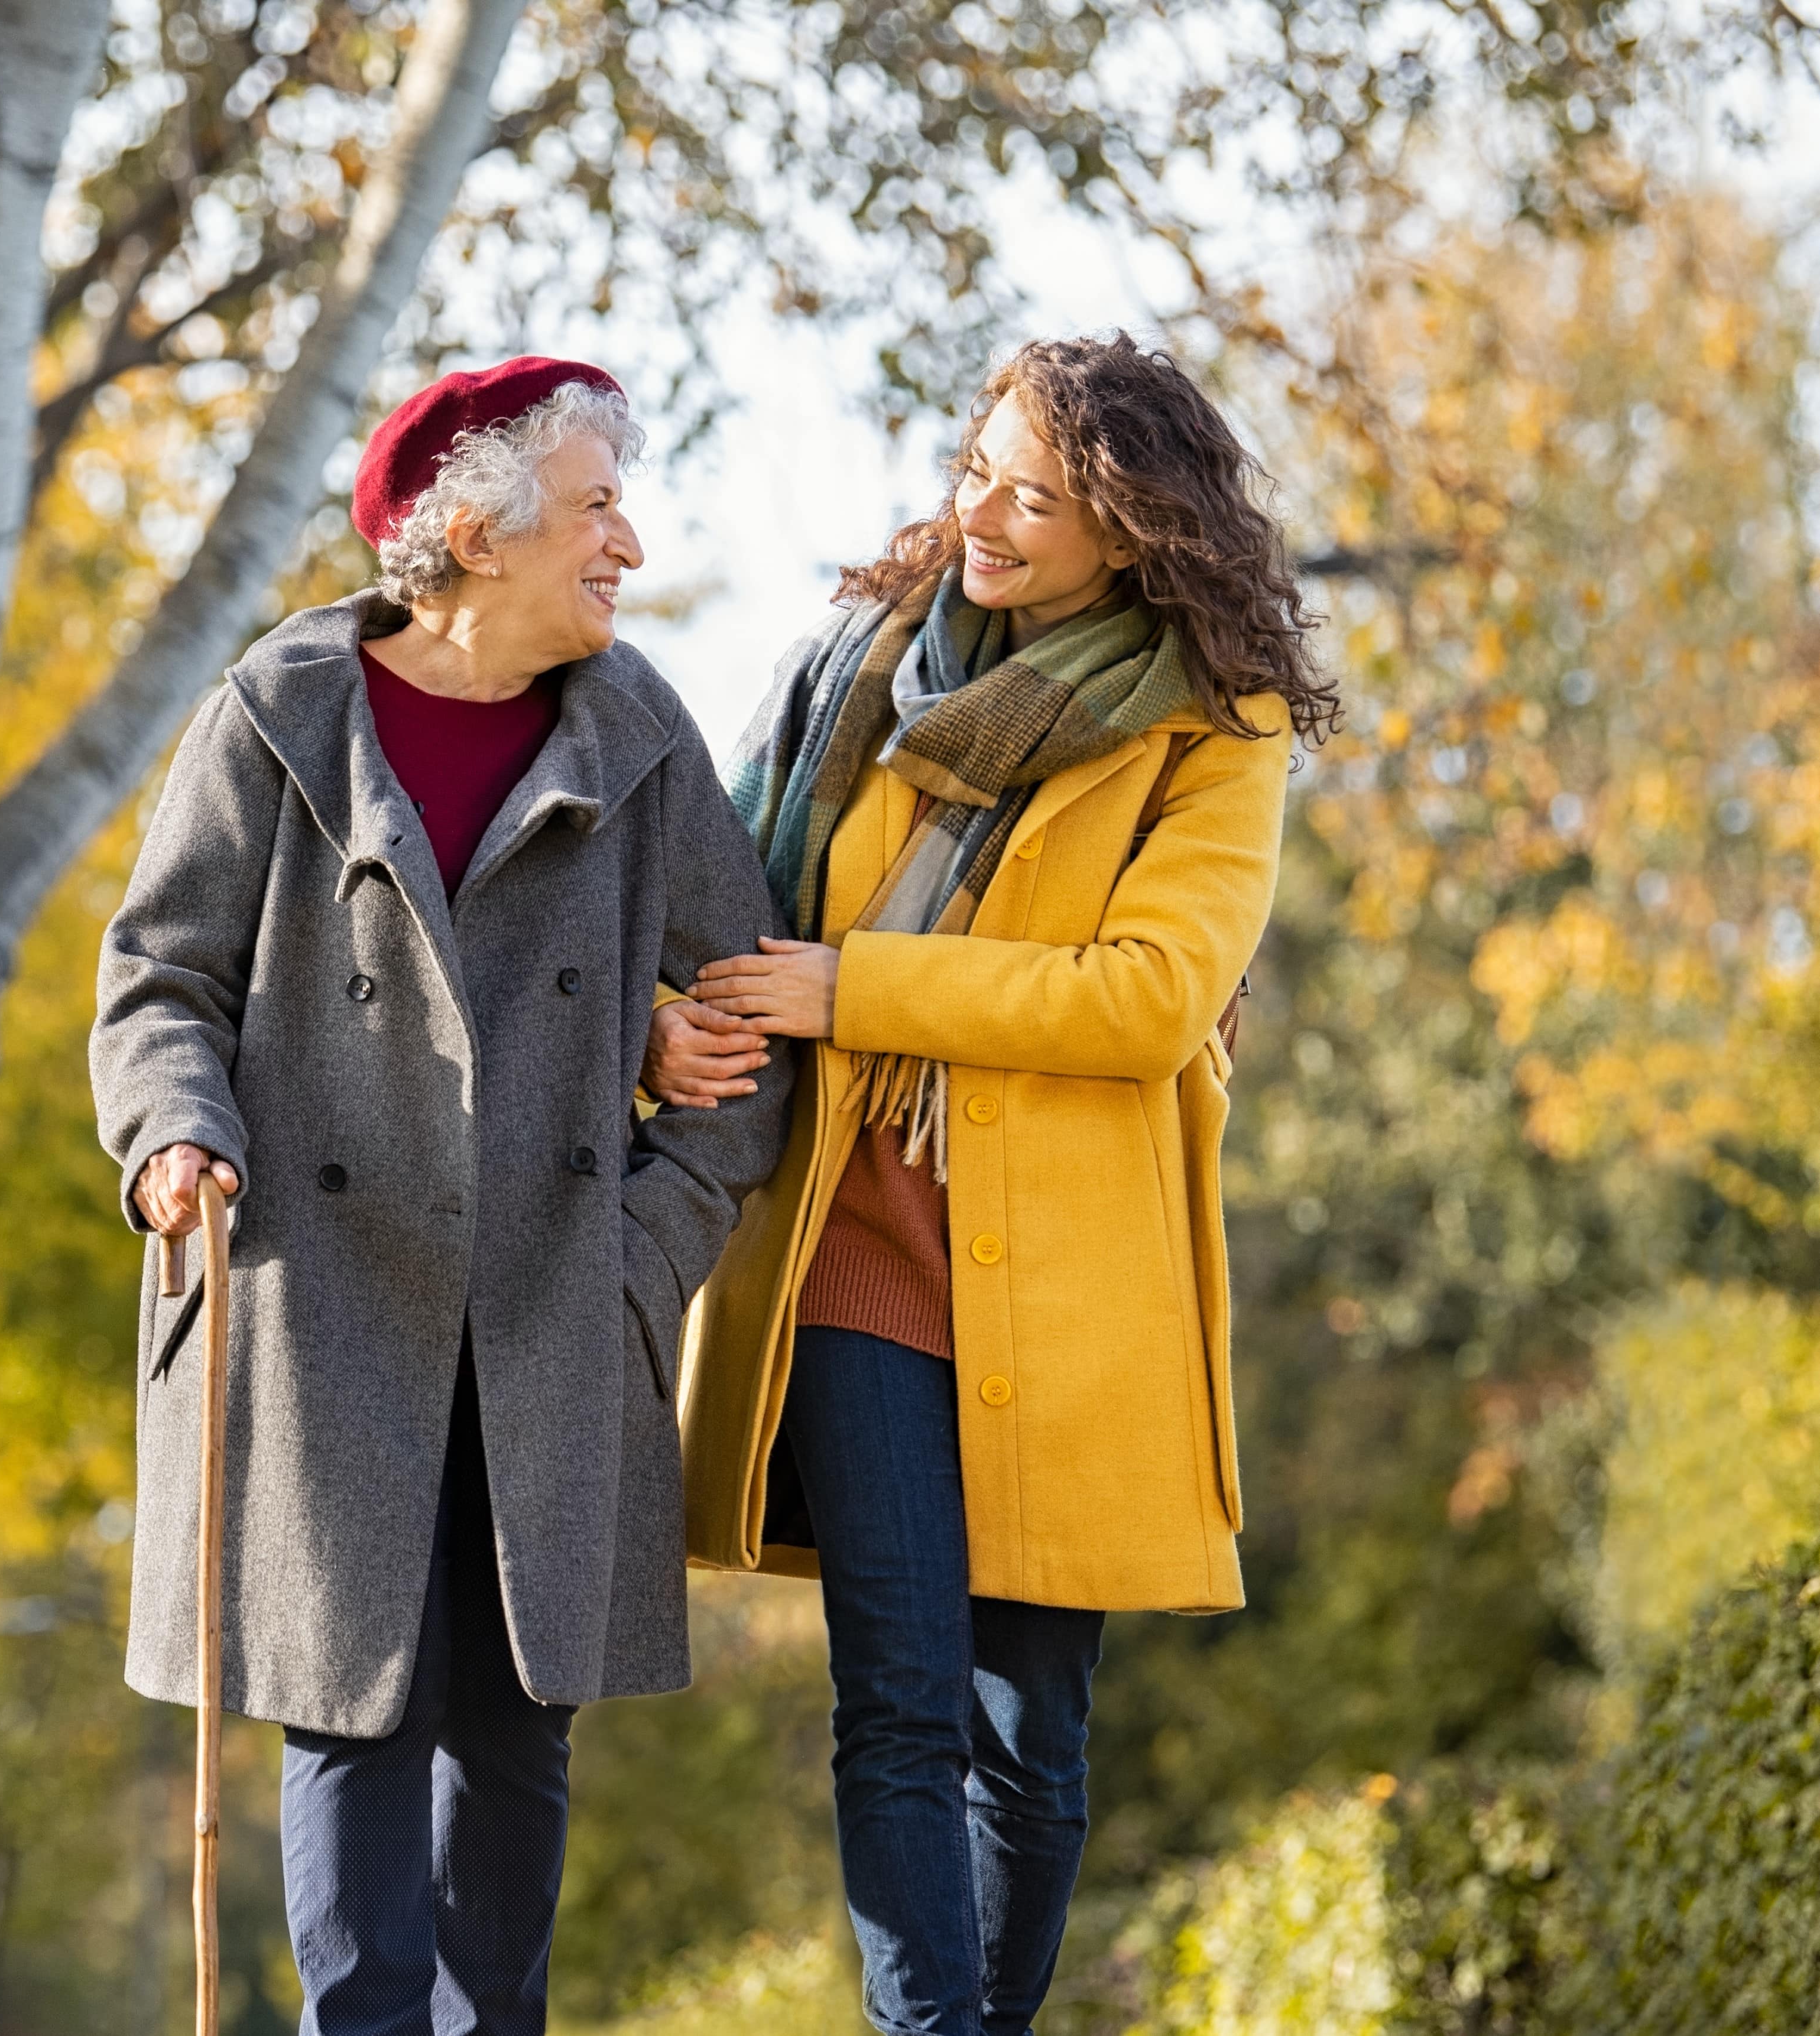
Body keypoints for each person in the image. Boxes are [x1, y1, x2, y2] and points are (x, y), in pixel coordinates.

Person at [91, 358, 793, 2035]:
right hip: (316, 1296)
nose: (627, 541)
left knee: (514, 1727)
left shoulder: (638, 736)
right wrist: (172, 1133)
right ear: (473, 536)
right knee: (350, 1716)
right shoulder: (277, 717)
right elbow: (158, 982)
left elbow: (754, 1012)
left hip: (553, 1298)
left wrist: (644, 1250)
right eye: (595, 508)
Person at [647, 334, 1337, 2036]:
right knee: (898, 1700)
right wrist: (680, 1013)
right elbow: (719, 894)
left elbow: (1143, 1000)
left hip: (1074, 1283)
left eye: (1035, 497)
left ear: (1132, 529)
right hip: (848, 1244)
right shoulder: (862, 671)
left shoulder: (1211, 733)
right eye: (974, 471)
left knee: (1031, 1737)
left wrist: (855, 989)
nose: (983, 516)